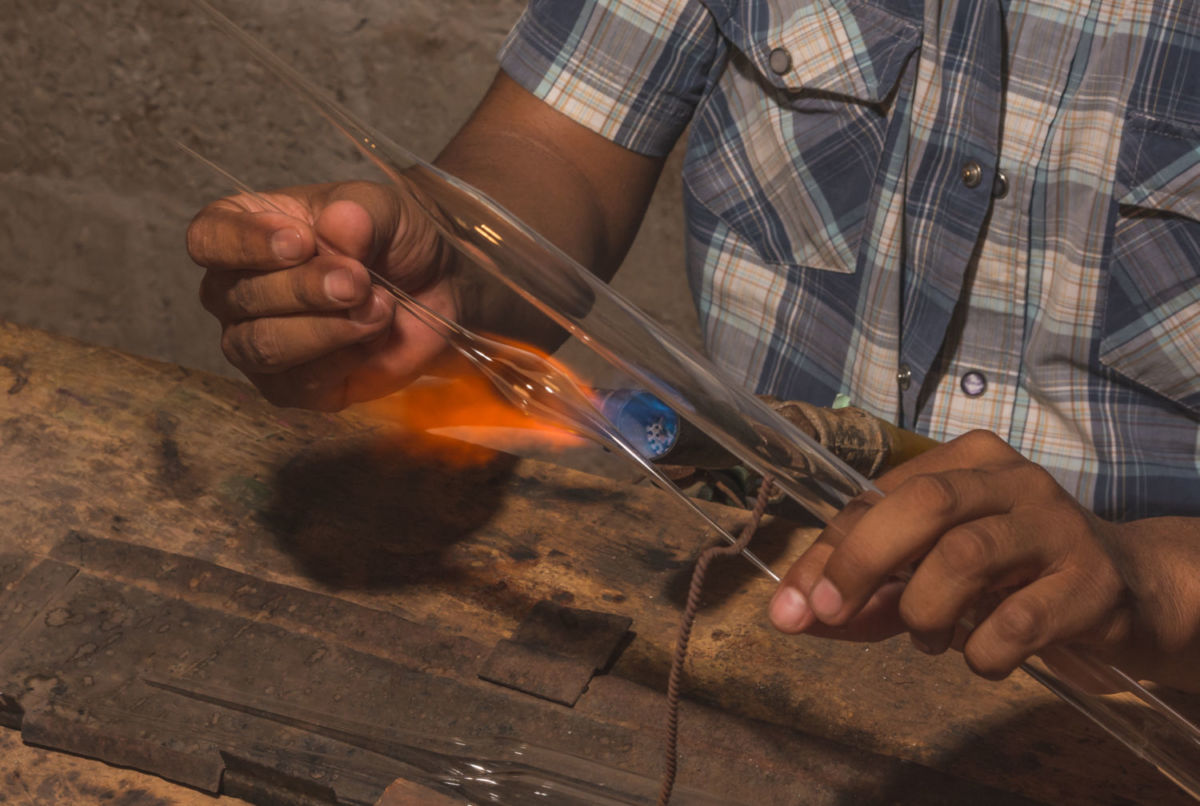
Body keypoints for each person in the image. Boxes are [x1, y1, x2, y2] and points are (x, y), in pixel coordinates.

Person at [186, 0, 1200, 691]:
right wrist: (455, 271)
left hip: (1139, 686)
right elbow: (556, 150)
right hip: (755, 608)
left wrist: (1148, 581)